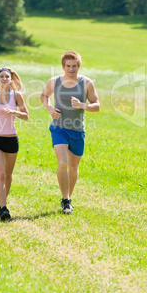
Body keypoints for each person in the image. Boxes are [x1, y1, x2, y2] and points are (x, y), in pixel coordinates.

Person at [40, 51, 100, 214]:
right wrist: (50, 109)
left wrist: (83, 105)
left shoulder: (86, 83)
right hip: (59, 128)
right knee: (63, 163)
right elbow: (44, 95)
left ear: (78, 66)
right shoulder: (54, 81)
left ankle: (68, 199)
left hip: (77, 130)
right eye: (68, 66)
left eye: (74, 66)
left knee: (73, 168)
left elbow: (97, 105)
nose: (71, 69)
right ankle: (65, 200)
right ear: (63, 66)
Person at [0, 67, 29, 221]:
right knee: (1, 174)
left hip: (11, 139)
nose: (4, 79)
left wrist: (13, 112)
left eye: (7, 77)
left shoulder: (16, 96)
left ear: (11, 79)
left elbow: (26, 116)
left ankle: (1, 201)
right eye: (1, 76)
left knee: (8, 175)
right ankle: (3, 209)